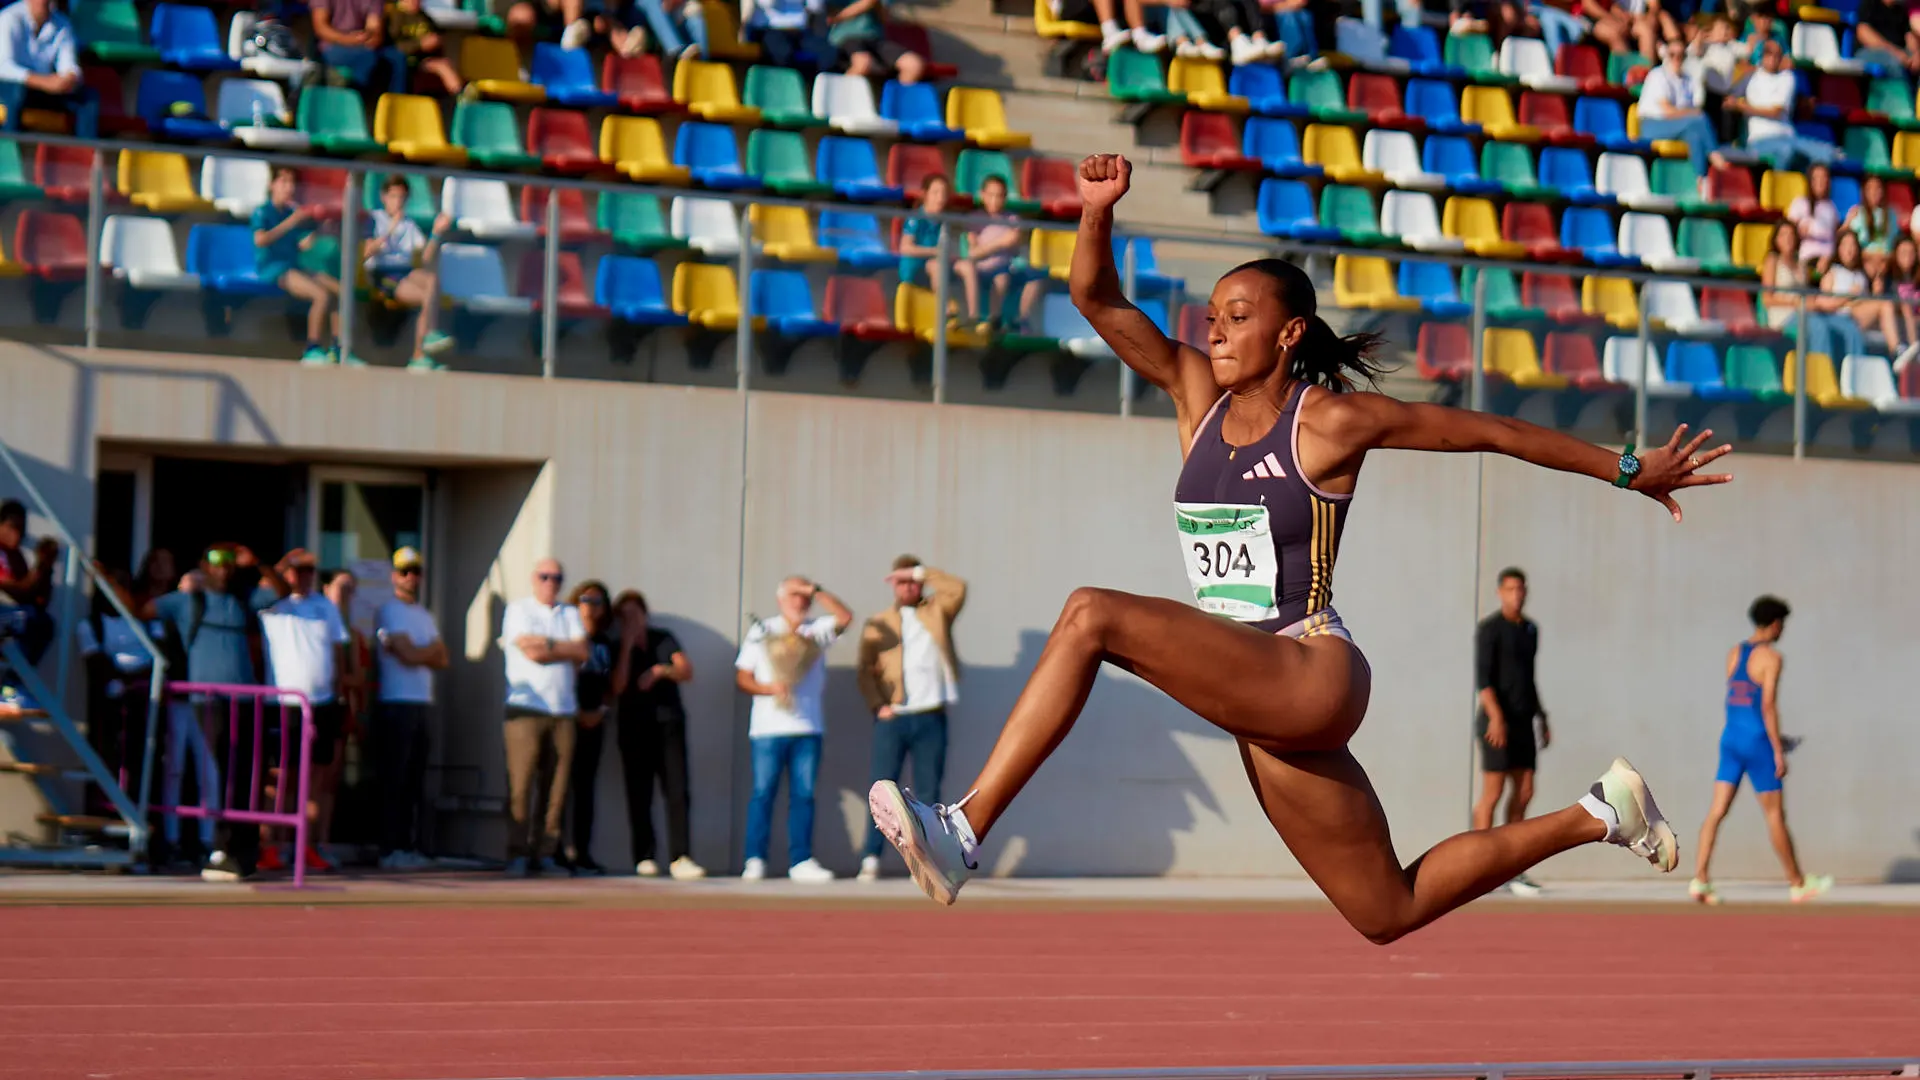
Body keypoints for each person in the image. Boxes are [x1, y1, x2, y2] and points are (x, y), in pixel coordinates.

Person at [868, 154, 1730, 940]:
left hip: (1308, 669)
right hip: (1254, 688)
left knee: (1091, 616)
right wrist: (1095, 213)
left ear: (1288, 334)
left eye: (1238, 318)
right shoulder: (1193, 395)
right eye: (1211, 317)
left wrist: (1630, 469)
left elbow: (1491, 431)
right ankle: (1602, 811)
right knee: (1384, 908)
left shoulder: (1328, 421)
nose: (1215, 332)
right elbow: (1097, 300)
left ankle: (964, 826)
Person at [1689, 596, 1832, 905]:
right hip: (1757, 744)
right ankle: (1797, 884)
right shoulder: (1772, 658)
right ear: (1776, 624)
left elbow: (1740, 700)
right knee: (1774, 815)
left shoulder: (1734, 653)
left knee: (1716, 811)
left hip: (1730, 740)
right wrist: (1778, 750)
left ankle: (1699, 879)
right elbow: (1766, 705)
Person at [153, 544, 270, 881]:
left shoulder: (243, 599)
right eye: (217, 561)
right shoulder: (187, 599)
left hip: (245, 701)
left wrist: (256, 561)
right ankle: (213, 846)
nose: (225, 568)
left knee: (244, 775)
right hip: (205, 701)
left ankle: (240, 849)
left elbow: (278, 591)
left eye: (229, 562)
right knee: (215, 771)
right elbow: (139, 609)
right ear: (203, 566)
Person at [733, 576, 852, 882]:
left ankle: (800, 860)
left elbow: (844, 618)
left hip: (808, 728)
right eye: (793, 596)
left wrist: (817, 589)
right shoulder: (762, 631)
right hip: (767, 730)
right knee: (763, 793)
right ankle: (755, 859)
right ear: (780, 599)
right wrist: (769, 688)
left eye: (804, 597)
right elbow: (743, 677)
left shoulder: (817, 630)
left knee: (804, 795)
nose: (800, 602)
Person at [856, 557, 967, 883]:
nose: (909, 587)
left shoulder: (937, 612)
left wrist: (922, 572)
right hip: (893, 718)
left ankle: (926, 859)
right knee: (881, 790)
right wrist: (878, 705)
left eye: (913, 581)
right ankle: (871, 857)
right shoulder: (879, 621)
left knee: (929, 792)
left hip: (931, 714)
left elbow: (958, 588)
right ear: (894, 585)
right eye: (902, 581)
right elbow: (865, 671)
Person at [253, 549, 349, 874]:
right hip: (283, 704)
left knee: (317, 778)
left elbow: (338, 649)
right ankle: (269, 846)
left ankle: (306, 845)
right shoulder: (270, 603)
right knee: (279, 777)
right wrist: (278, 569)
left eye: (309, 570)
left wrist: (338, 695)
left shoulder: (325, 606)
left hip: (321, 703)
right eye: (297, 569)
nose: (303, 576)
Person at [499, 557, 589, 876]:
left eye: (557, 578)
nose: (551, 583)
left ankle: (546, 853)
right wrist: (559, 648)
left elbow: (582, 651)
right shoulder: (518, 610)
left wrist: (548, 645)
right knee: (522, 786)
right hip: (525, 710)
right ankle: (517, 853)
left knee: (556, 789)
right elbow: (532, 654)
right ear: (533, 579)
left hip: (563, 710)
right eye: (545, 577)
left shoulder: (570, 612)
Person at [612, 590, 703, 879]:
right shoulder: (615, 646)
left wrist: (660, 671)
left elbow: (685, 670)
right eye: (625, 616)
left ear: (645, 614)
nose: (631, 620)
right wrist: (627, 646)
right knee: (639, 793)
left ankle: (681, 857)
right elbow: (617, 687)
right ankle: (644, 856)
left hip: (668, 724)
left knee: (677, 790)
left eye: (635, 613)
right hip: (632, 727)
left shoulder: (663, 638)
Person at [1471, 567, 1550, 897]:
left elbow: (1528, 679)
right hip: (1495, 723)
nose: (1516, 594)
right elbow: (1483, 681)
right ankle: (1477, 869)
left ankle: (1513, 869)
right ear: (1500, 592)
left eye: (1521, 589)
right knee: (1492, 793)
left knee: (1524, 791)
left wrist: (1542, 716)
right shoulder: (1490, 630)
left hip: (1523, 722)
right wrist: (1496, 718)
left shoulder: (1530, 629)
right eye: (1510, 589)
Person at [373, 547, 446, 870]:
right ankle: (390, 848)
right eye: (404, 571)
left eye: (415, 570)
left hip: (422, 704)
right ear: (394, 575)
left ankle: (409, 844)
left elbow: (443, 658)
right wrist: (423, 652)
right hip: (396, 703)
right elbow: (409, 655)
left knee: (416, 780)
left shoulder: (425, 615)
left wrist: (421, 652)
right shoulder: (389, 611)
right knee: (395, 779)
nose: (410, 577)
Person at [253, 167, 349, 367]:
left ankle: (337, 348)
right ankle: (312, 348)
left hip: (294, 267)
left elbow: (300, 244)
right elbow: (261, 240)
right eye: (283, 182)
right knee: (320, 296)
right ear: (272, 185)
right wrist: (291, 222)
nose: (289, 188)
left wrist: (319, 231)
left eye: (292, 183)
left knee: (341, 292)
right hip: (275, 270)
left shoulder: (291, 212)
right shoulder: (262, 211)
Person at [364, 176, 455, 372]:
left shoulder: (409, 224)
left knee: (431, 280)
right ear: (383, 197)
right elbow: (367, 252)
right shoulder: (375, 219)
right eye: (394, 196)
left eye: (402, 197)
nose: (398, 202)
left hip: (404, 272)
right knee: (425, 297)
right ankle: (419, 354)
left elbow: (425, 259)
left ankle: (428, 336)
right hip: (383, 274)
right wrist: (390, 229)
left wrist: (436, 234)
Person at [562, 580, 617, 875]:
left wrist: (600, 712)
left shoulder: (606, 643)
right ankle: (554, 851)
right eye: (586, 600)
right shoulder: (568, 637)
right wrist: (578, 711)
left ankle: (582, 853)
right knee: (559, 788)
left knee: (585, 789)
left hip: (595, 722)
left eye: (598, 602)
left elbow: (611, 687)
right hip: (568, 718)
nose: (592, 607)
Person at [1763, 221, 1865, 362]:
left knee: (1848, 326)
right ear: (1776, 239)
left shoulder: (1801, 265)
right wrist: (1795, 302)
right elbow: (1767, 299)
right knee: (1819, 327)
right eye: (1783, 235)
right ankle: (1821, 375)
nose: (1788, 238)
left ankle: (1854, 372)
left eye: (1791, 235)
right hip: (1784, 314)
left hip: (1807, 311)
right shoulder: (1773, 260)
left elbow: (1808, 293)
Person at [319, 567, 367, 862]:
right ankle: (282, 843)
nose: (347, 594)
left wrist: (338, 680)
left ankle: (321, 842)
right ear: (325, 588)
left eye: (352, 588)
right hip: (311, 705)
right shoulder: (315, 620)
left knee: (329, 778)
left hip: (337, 710)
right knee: (299, 778)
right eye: (342, 586)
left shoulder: (351, 631)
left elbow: (357, 677)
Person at [1733, 39, 1840, 170]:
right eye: (1768, 53)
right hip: (1759, 140)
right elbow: (1730, 98)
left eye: (1777, 54)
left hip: (1787, 136)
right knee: (1787, 150)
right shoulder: (1750, 77)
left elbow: (1776, 112)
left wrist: (1744, 107)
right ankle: (1778, 187)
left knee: (1820, 154)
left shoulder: (1787, 78)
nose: (1772, 58)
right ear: (1762, 55)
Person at [0, 0, 96, 139]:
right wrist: (43, 82)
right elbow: (4, 67)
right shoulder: (9, 18)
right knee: (16, 93)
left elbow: (69, 64)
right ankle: (9, 150)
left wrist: (69, 78)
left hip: (42, 88)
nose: (49, 4)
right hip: (9, 86)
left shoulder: (62, 23)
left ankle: (85, 153)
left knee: (88, 98)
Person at [965, 177, 1045, 334]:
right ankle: (994, 320)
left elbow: (1015, 248)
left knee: (1037, 278)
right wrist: (1001, 243)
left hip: (1009, 266)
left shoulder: (1012, 219)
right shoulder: (975, 218)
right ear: (983, 195)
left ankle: (1021, 319)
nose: (995, 200)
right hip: (985, 270)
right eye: (991, 195)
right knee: (1001, 278)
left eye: (999, 196)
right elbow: (973, 253)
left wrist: (1007, 243)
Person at [0, 498, 57, 716]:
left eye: (22, 529)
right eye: (14, 527)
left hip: (9, 617)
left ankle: (11, 686)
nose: (19, 534)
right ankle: (9, 688)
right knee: (27, 619)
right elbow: (20, 590)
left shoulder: (16, 557)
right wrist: (40, 565)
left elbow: (38, 600)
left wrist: (47, 568)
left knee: (44, 624)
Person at [1638, 39, 1723, 175]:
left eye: (1681, 55)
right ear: (1666, 55)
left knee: (1694, 136)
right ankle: (1715, 156)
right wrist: (1692, 113)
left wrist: (1691, 113)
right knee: (1699, 119)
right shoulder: (1658, 75)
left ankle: (1701, 181)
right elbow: (1667, 111)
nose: (1676, 59)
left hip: (1674, 125)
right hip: (1652, 125)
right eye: (1672, 54)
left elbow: (1688, 110)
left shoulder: (1687, 80)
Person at [1824, 230, 1904, 359]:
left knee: (1887, 305)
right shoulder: (1832, 273)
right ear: (1838, 248)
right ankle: (1896, 350)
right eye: (1845, 245)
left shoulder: (1861, 275)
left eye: (1852, 245)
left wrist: (1875, 292)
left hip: (1860, 317)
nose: (1849, 249)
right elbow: (1824, 305)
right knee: (1884, 305)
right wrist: (1848, 297)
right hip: (1841, 318)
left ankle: (1897, 350)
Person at [312, 0, 410, 95]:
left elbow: (375, 27)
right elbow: (321, 27)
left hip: (363, 44)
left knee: (398, 58)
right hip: (332, 46)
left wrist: (369, 37)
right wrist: (349, 39)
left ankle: (395, 106)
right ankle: (356, 105)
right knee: (366, 58)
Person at [823, 0, 927, 82]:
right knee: (863, 63)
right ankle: (837, 99)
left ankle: (898, 104)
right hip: (845, 37)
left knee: (913, 64)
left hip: (875, 39)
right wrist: (864, 4)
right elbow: (830, 16)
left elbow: (885, 18)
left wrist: (876, 5)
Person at [384, 0, 463, 94]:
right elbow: (393, 46)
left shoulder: (423, 16)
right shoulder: (394, 16)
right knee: (442, 67)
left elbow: (436, 33)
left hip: (423, 59)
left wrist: (436, 40)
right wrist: (420, 45)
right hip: (403, 61)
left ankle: (462, 98)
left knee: (445, 64)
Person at [1783, 164, 1839, 270]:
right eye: (1816, 178)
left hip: (1830, 258)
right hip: (1808, 259)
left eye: (1824, 177)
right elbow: (1789, 233)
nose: (1821, 181)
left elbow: (1834, 236)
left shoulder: (1831, 207)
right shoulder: (1800, 203)